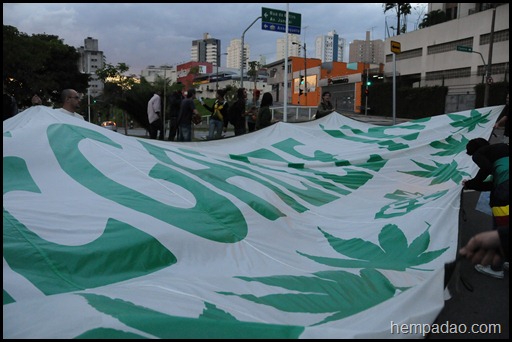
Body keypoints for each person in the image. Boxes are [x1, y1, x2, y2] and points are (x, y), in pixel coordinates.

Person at [462, 138, 509, 279]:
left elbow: (486, 169)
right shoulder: (502, 150)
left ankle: (496, 268)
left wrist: (472, 182)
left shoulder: (479, 154)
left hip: (505, 192)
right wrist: (471, 185)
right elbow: (492, 184)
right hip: (505, 186)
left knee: (501, 231)